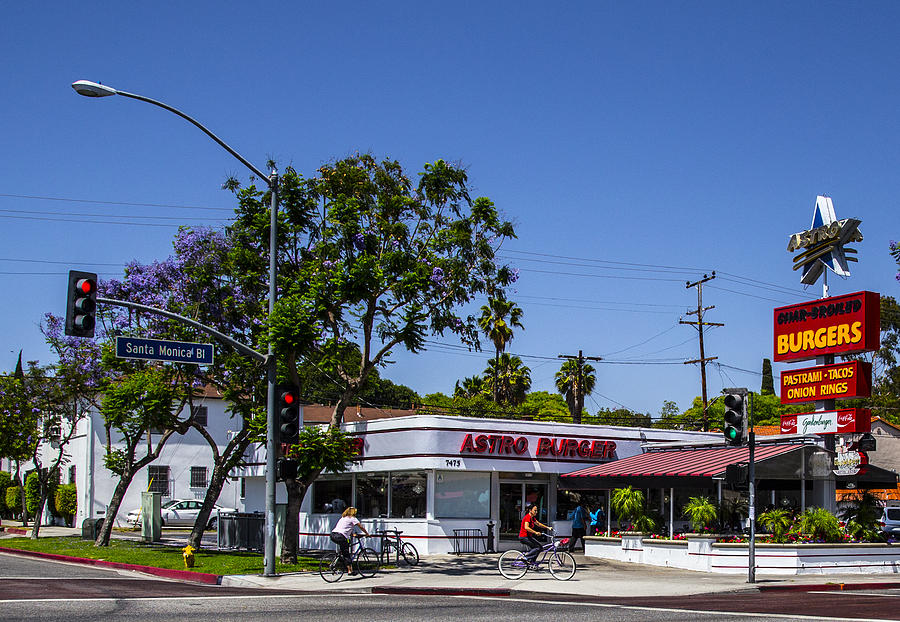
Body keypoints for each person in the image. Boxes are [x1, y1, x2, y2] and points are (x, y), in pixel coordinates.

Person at [330, 506, 370, 574]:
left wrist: (352, 534)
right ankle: (350, 570)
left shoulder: (343, 518)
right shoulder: (353, 518)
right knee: (346, 553)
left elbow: (345, 527)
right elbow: (361, 526)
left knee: (343, 550)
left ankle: (340, 560)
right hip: (341, 536)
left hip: (333, 535)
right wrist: (367, 533)